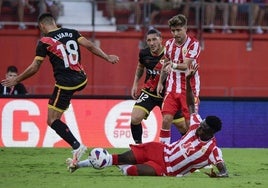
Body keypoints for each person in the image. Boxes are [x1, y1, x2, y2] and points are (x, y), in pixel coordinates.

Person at [66, 64, 229, 178]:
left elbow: (224, 171)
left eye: (203, 128)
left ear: (211, 132)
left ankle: (114, 164)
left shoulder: (213, 151)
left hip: (166, 168)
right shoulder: (195, 125)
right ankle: (78, 165)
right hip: (159, 150)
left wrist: (220, 175)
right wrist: (187, 80)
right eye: (201, 124)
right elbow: (191, 104)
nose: (198, 128)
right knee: (115, 158)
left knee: (129, 171)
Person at [1, 13, 119, 167]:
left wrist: (16, 80)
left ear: (42, 26)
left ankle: (77, 146)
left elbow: (35, 67)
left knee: (52, 120)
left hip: (65, 84)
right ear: (54, 22)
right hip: (82, 79)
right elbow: (89, 45)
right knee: (58, 113)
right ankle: (76, 155)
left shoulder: (44, 42)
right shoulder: (72, 32)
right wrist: (107, 57)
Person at [130, 28, 187, 144]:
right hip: (149, 92)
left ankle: (190, 149)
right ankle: (139, 147)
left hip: (168, 94)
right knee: (135, 118)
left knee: (182, 126)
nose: (151, 43)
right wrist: (135, 84)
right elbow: (140, 67)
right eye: (149, 40)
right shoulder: (144, 53)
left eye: (154, 39)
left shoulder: (170, 53)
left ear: (161, 40)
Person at [156, 14, 201, 144]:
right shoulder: (169, 44)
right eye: (173, 30)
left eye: (178, 30)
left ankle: (199, 152)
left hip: (189, 89)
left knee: (190, 123)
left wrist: (172, 65)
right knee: (166, 119)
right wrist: (160, 82)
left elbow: (185, 65)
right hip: (171, 88)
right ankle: (162, 153)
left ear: (185, 28)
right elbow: (166, 63)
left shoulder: (194, 44)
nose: (175, 33)